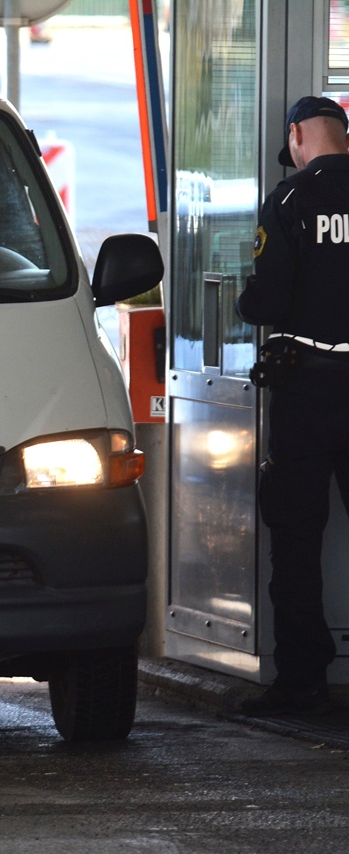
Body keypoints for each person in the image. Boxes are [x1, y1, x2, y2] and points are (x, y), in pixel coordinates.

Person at [235, 95, 349, 716]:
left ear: (298, 135)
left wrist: (245, 299)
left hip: (309, 391)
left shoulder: (290, 200)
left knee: (298, 536)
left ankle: (302, 679)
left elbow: (268, 303)